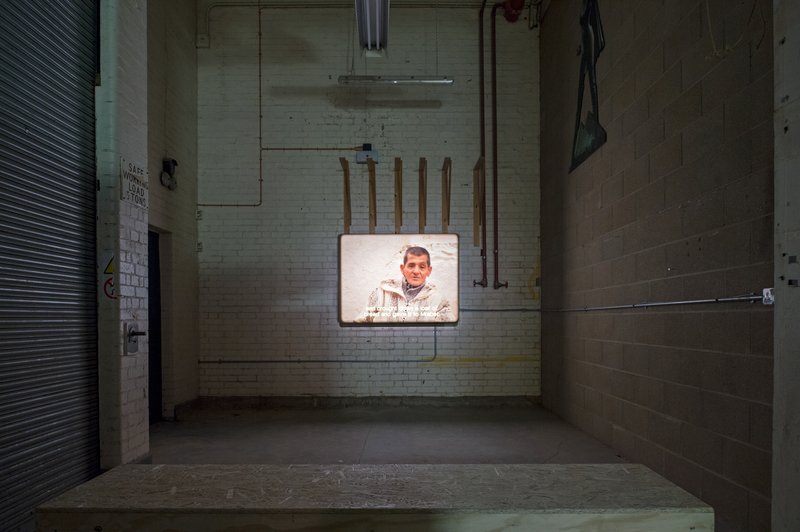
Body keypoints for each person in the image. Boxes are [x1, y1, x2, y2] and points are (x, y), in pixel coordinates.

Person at [357, 246, 454, 323]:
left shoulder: (439, 301)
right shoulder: (381, 293)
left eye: (422, 267)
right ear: (402, 268)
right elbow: (361, 322)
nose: (416, 271)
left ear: (429, 271)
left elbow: (446, 332)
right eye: (411, 265)